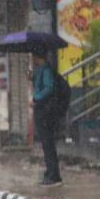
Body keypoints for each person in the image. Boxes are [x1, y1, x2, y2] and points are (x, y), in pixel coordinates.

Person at [29, 48, 63, 186]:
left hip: (45, 111)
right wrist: (32, 78)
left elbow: (48, 88)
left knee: (48, 143)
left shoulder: (47, 70)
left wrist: (36, 99)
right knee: (45, 143)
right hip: (40, 110)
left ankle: (53, 175)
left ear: (37, 56)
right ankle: (50, 173)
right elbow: (40, 86)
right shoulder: (41, 70)